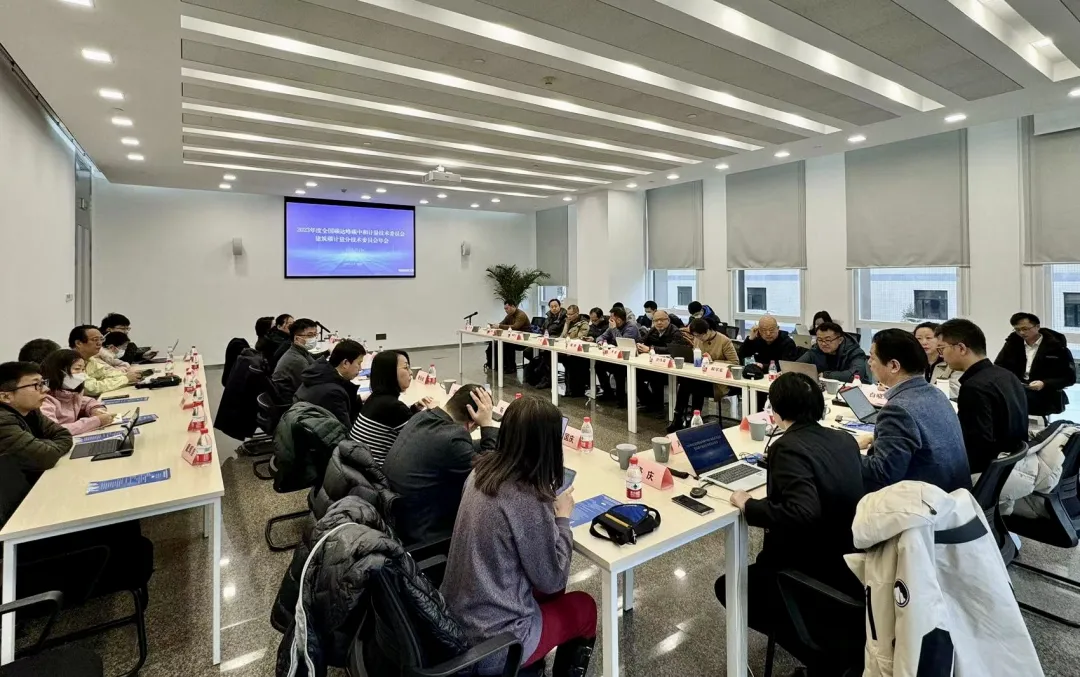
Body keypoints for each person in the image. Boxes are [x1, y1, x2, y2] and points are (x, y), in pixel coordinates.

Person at [716, 372, 864, 666]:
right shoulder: (845, 439)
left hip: (809, 570)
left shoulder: (786, 447)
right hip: (849, 561)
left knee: (728, 586)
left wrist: (749, 504)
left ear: (776, 410)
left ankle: (821, 658)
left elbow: (802, 512)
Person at [441, 396, 595, 677]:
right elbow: (553, 580)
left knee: (551, 593)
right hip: (496, 643)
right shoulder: (527, 498)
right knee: (585, 608)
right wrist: (562, 519)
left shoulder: (480, 471)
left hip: (455, 621)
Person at [383, 384, 498, 545]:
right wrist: (487, 426)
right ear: (472, 422)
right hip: (427, 538)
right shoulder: (453, 440)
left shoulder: (422, 418)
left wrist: (495, 437)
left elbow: (463, 447)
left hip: (400, 521)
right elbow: (489, 475)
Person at [859, 329, 970, 492]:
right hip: (954, 495)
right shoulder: (935, 393)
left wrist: (845, 451)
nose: (869, 363)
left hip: (924, 501)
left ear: (894, 366)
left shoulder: (897, 410)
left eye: (872, 357)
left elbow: (881, 474)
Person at [937, 319, 1028, 475]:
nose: (941, 356)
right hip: (1013, 463)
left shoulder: (975, 387)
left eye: (942, 349)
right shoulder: (1006, 375)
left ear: (961, 348)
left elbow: (978, 446)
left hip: (987, 473)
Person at [350, 350, 434, 466]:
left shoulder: (375, 398)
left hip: (361, 469)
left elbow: (398, 422)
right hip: (379, 473)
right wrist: (437, 414)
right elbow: (425, 441)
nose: (410, 373)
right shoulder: (393, 407)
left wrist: (414, 409)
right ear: (389, 373)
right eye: (406, 368)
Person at [0, 361, 73, 483]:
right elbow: (46, 457)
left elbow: (64, 435)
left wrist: (43, 445)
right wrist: (46, 446)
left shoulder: (31, 411)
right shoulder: (2, 422)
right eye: (36, 385)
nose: (46, 389)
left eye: (43, 383)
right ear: (6, 397)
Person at [994, 312, 1076, 418]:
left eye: (1025, 329)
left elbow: (1069, 378)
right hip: (1017, 390)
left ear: (1037, 327)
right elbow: (999, 367)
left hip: (1044, 394)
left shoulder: (1056, 347)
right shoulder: (1012, 344)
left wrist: (1044, 383)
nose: (1021, 333)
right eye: (1017, 330)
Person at [667, 318, 739, 432]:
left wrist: (713, 361)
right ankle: (679, 417)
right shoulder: (697, 339)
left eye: (701, 335)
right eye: (696, 335)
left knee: (694, 386)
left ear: (709, 330)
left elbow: (735, 363)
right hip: (700, 376)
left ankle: (693, 418)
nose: (699, 338)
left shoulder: (724, 341)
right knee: (685, 382)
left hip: (717, 382)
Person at [39, 349, 116, 435]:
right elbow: (55, 430)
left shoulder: (71, 392)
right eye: (77, 369)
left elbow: (86, 401)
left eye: (83, 369)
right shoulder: (43, 400)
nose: (82, 374)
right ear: (58, 371)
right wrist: (96, 421)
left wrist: (96, 409)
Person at [295, 339, 365, 428]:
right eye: (359, 363)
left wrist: (358, 399)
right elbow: (344, 430)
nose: (360, 368)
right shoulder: (333, 393)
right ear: (345, 363)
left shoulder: (319, 375)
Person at [635, 310, 690, 410]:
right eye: (656, 320)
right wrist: (639, 345)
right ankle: (649, 402)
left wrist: (651, 349)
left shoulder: (675, 332)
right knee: (635, 374)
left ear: (668, 320)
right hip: (654, 364)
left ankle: (658, 406)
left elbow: (673, 350)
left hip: (671, 368)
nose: (659, 323)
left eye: (662, 320)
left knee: (656, 376)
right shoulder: (653, 330)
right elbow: (643, 341)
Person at [69, 325, 141, 396]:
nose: (100, 343)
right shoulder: (69, 361)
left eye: (101, 339)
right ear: (78, 343)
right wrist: (125, 379)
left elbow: (107, 374)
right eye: (95, 340)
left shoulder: (90, 359)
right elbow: (91, 388)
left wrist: (132, 376)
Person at [593, 307, 640, 406]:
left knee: (619, 370)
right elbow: (601, 337)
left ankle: (621, 398)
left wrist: (614, 329)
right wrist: (600, 342)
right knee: (599, 365)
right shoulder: (611, 327)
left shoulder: (631, 327)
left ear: (618, 319)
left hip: (630, 359)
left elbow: (623, 344)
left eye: (612, 318)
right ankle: (608, 391)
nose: (609, 320)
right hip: (616, 357)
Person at [796, 321, 868, 382]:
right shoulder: (815, 350)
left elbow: (856, 375)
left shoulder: (854, 352)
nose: (823, 344)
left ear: (840, 340)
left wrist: (826, 375)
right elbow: (795, 367)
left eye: (827, 340)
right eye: (820, 340)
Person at [271, 318, 318, 403]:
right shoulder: (296, 360)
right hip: (291, 402)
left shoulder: (301, 351)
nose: (314, 338)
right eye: (310, 335)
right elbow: (310, 386)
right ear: (297, 338)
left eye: (315, 334)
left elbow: (315, 366)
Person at [524, 299, 567, 387]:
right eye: (552, 307)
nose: (554, 308)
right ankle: (538, 373)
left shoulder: (564, 319)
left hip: (556, 343)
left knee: (547, 354)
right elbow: (543, 329)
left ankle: (547, 379)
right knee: (528, 351)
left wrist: (550, 338)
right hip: (544, 341)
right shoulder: (548, 318)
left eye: (556, 306)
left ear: (560, 306)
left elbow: (562, 334)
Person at [485, 300, 531, 373]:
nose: (505, 310)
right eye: (505, 309)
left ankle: (511, 367)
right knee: (494, 344)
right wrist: (494, 326)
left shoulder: (521, 315)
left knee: (507, 344)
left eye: (507, 308)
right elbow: (502, 323)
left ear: (513, 306)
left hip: (523, 339)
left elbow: (515, 327)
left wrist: (499, 326)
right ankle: (494, 364)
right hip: (513, 338)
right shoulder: (509, 315)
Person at [558, 306, 592, 397]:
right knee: (546, 355)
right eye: (567, 314)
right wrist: (566, 325)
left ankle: (573, 390)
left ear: (577, 313)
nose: (568, 316)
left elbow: (580, 338)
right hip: (567, 350)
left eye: (571, 314)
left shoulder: (583, 324)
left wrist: (569, 339)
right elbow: (563, 336)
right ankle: (568, 389)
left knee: (570, 362)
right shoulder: (568, 322)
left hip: (578, 351)